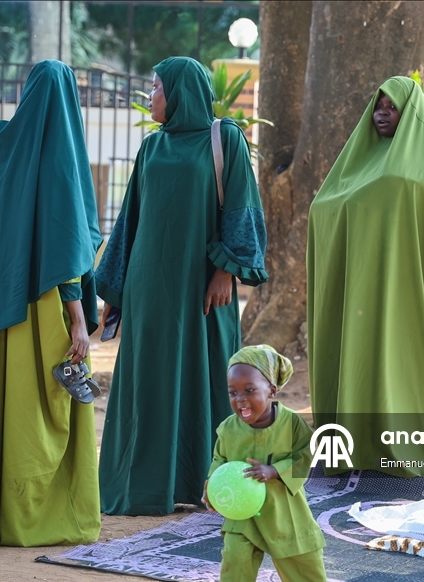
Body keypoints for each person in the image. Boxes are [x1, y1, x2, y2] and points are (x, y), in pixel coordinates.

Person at [0, 60, 103, 548]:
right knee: (37, 413)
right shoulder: (61, 155)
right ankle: (35, 517)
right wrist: (77, 320)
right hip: (42, 307)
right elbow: (67, 244)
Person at [96, 57, 267, 516]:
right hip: (150, 290)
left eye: (156, 87)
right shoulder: (151, 149)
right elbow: (129, 222)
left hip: (204, 288)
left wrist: (226, 270)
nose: (150, 96)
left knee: (210, 377)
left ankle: (212, 483)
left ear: (180, 92)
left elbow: (242, 205)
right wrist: (114, 292)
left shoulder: (223, 138)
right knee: (150, 381)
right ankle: (147, 488)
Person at [306, 76, 424, 477]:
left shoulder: (423, 175)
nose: (382, 112)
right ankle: (353, 450)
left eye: (392, 106)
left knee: (397, 364)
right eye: (378, 105)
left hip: (406, 295)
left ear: (410, 114)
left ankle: (404, 455)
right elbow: (324, 208)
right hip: (357, 294)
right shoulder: (353, 165)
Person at [202, 345, 347, 582]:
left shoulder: (292, 424)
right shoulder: (228, 428)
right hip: (243, 515)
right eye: (233, 392)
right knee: (235, 560)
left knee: (304, 560)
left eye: (249, 390)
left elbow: (306, 457)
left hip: (285, 510)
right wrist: (211, 486)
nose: (240, 399)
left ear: (271, 390)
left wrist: (274, 471)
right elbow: (219, 459)